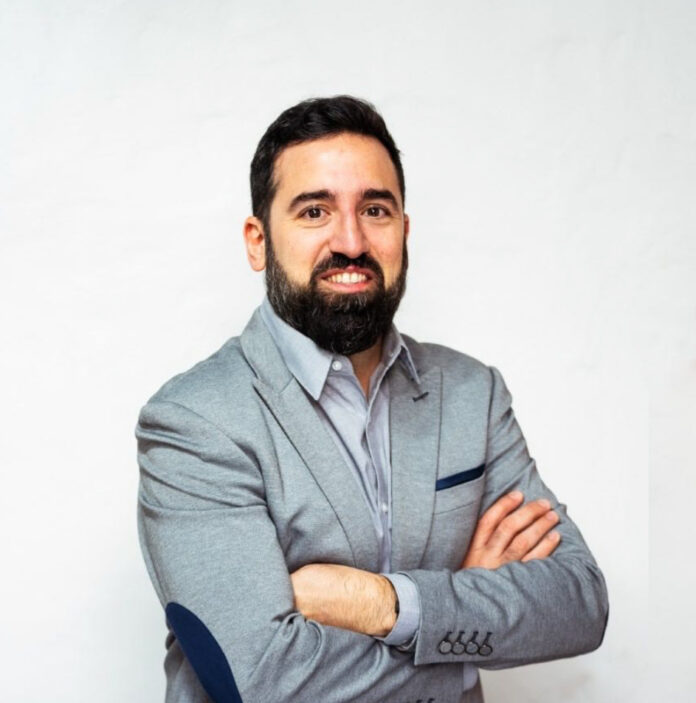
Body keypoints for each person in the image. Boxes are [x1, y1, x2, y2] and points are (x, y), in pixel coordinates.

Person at [136, 95, 608, 703]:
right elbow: (263, 682)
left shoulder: (474, 394)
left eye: (375, 210)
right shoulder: (195, 422)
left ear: (404, 232)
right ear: (258, 241)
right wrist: (461, 622)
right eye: (315, 211)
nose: (352, 241)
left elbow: (579, 603)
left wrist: (381, 603)